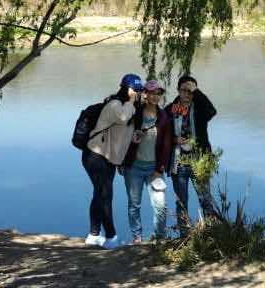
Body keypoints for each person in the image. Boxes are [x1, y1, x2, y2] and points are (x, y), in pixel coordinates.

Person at [82, 73, 142, 249]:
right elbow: (122, 118)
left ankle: (93, 235)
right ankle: (111, 237)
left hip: (108, 158)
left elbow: (122, 132)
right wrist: (131, 101)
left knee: (99, 194)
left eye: (139, 90)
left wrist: (134, 137)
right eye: (134, 89)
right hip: (95, 155)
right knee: (105, 195)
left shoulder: (130, 108)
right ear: (125, 88)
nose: (137, 93)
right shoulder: (115, 105)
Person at [119, 79, 172, 243]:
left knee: (160, 206)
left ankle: (159, 238)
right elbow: (122, 137)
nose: (155, 97)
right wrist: (120, 161)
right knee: (134, 205)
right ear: (145, 95)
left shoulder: (164, 117)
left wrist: (160, 168)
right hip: (133, 168)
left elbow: (166, 145)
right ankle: (137, 237)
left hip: (154, 170)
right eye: (152, 93)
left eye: (158, 93)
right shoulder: (134, 113)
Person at [167, 75, 220, 231]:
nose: (187, 94)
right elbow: (161, 130)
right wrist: (173, 139)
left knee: (205, 199)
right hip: (179, 162)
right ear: (178, 90)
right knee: (181, 201)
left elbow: (212, 111)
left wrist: (197, 91)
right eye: (184, 90)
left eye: (190, 91)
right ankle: (184, 235)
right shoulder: (172, 108)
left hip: (199, 161)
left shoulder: (199, 109)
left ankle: (211, 232)